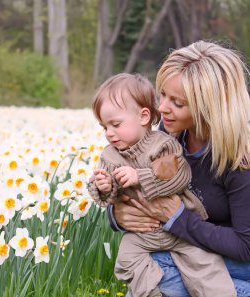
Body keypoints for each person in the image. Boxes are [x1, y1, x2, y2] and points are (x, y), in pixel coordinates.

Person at [108, 40, 250, 297]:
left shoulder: (241, 159)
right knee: (150, 265)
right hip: (195, 250)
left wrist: (178, 218)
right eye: (162, 94)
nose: (161, 108)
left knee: (156, 268)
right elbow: (137, 179)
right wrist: (118, 214)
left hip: (239, 260)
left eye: (177, 102)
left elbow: (246, 246)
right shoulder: (170, 135)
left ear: (209, 108)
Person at [87, 73, 236, 297]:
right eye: (104, 127)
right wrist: (105, 187)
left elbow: (179, 176)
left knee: (205, 267)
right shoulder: (110, 155)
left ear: (143, 117)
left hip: (182, 233)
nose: (109, 133)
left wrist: (139, 177)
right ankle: (152, 292)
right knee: (126, 261)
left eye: (115, 125)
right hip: (143, 234)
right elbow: (110, 197)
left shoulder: (162, 145)